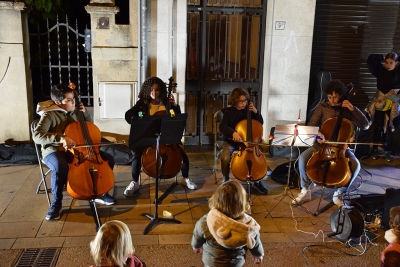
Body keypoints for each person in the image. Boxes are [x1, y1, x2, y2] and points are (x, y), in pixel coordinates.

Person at [33, 84, 116, 221]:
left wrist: (85, 114)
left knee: (108, 159)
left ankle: (101, 192)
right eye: (70, 100)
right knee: (60, 166)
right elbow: (37, 136)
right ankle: (56, 204)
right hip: (54, 151)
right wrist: (61, 138)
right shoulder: (49, 115)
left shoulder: (75, 112)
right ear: (58, 102)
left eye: (73, 99)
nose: (74, 102)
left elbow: (89, 129)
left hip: (78, 150)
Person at [292, 80, 369, 206]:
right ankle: (305, 190)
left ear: (341, 95)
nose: (332, 100)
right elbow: (312, 125)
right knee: (302, 159)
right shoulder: (322, 107)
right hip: (321, 146)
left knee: (356, 165)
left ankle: (340, 193)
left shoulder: (348, 108)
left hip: (341, 148)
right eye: (329, 97)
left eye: (335, 97)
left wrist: (352, 109)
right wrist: (318, 134)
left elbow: (365, 125)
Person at [124, 76, 197, 196]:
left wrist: (174, 104)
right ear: (147, 90)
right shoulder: (142, 103)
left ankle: (185, 178)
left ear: (161, 90)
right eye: (151, 90)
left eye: (157, 90)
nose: (154, 92)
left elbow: (177, 117)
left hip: (167, 138)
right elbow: (129, 114)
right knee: (137, 156)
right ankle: (135, 182)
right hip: (148, 138)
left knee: (183, 156)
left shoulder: (167, 102)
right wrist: (135, 119)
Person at [191, 180, 264, 267]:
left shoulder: (206, 221)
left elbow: (197, 236)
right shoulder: (249, 225)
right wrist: (258, 255)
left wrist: (196, 246)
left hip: (212, 262)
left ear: (216, 199)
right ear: (242, 202)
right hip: (235, 262)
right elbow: (255, 243)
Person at [218, 87, 268, 194]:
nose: (243, 103)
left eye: (245, 100)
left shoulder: (249, 110)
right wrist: (233, 132)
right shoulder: (229, 112)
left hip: (250, 142)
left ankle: (257, 180)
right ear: (235, 100)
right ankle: (226, 180)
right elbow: (222, 127)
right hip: (233, 142)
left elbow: (260, 122)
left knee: (258, 157)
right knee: (225, 157)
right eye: (240, 101)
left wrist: (255, 111)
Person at [366, 52, 400, 162]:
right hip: (380, 101)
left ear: (397, 62)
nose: (388, 65)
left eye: (391, 63)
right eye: (386, 62)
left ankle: (386, 150)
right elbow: (371, 59)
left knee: (389, 127)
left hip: (393, 102)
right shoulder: (380, 71)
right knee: (378, 126)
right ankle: (375, 149)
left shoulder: (399, 71)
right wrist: (382, 57)